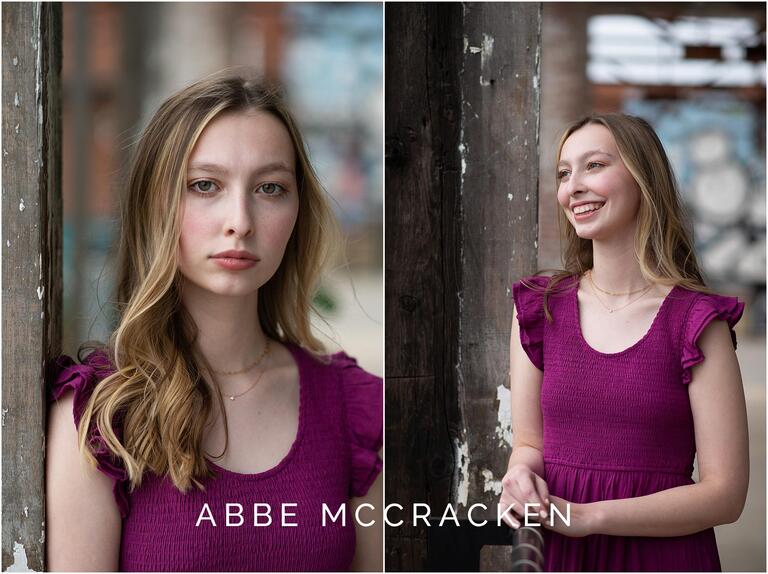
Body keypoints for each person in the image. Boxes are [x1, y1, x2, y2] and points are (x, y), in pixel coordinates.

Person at [46, 71, 383, 572]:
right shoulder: (101, 415)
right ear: (155, 203)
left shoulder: (351, 408)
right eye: (205, 185)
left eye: (270, 188)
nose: (240, 220)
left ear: (296, 213)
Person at [499, 113, 748, 571]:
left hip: (663, 559)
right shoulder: (538, 309)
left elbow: (725, 494)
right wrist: (518, 473)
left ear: (643, 179)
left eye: (594, 165)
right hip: (562, 556)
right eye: (564, 172)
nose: (572, 186)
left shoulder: (696, 322)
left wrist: (589, 516)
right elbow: (530, 444)